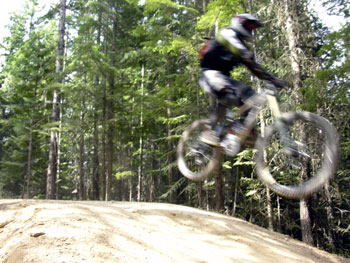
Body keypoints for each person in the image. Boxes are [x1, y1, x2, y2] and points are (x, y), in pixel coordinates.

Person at [198, 13, 285, 147]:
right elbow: (238, 48)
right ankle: (209, 131)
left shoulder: (243, 47)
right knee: (227, 94)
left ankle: (241, 130)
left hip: (225, 78)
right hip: (210, 73)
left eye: (252, 28)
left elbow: (254, 67)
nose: (250, 30)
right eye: (249, 26)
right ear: (239, 23)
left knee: (252, 98)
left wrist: (271, 79)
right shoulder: (226, 33)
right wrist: (246, 55)